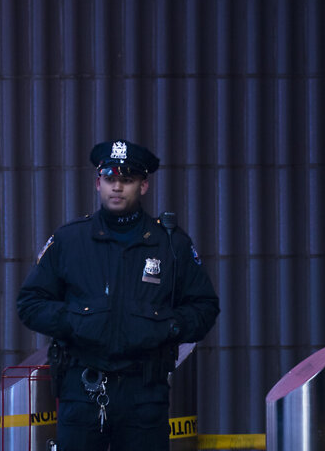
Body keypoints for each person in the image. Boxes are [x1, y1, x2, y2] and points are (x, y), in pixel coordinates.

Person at [17, 139, 220, 451]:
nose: (117, 188)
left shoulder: (170, 244)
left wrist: (168, 326)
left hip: (144, 394)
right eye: (110, 179)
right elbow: (30, 303)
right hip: (81, 390)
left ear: (143, 186)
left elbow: (204, 306)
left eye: (126, 180)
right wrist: (76, 322)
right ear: (98, 183)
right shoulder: (70, 240)